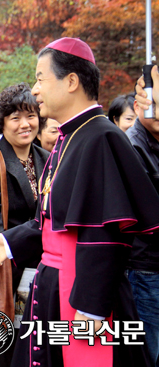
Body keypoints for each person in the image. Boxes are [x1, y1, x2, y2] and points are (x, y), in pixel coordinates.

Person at [0, 37, 159, 367]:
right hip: (53, 285)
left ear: (71, 81)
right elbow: (50, 222)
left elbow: (106, 233)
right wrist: (6, 243)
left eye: (40, 78)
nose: (35, 89)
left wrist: (92, 307)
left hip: (81, 297)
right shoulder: (68, 137)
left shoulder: (101, 137)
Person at [0, 83, 49, 366]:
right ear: (2, 123)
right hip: (3, 270)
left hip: (40, 274)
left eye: (31, 115)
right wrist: (14, 244)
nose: (25, 124)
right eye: (15, 118)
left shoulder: (46, 158)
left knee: (34, 350)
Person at [125, 98, 159, 366]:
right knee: (150, 350)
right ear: (138, 105)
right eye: (154, 105)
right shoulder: (131, 145)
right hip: (146, 266)